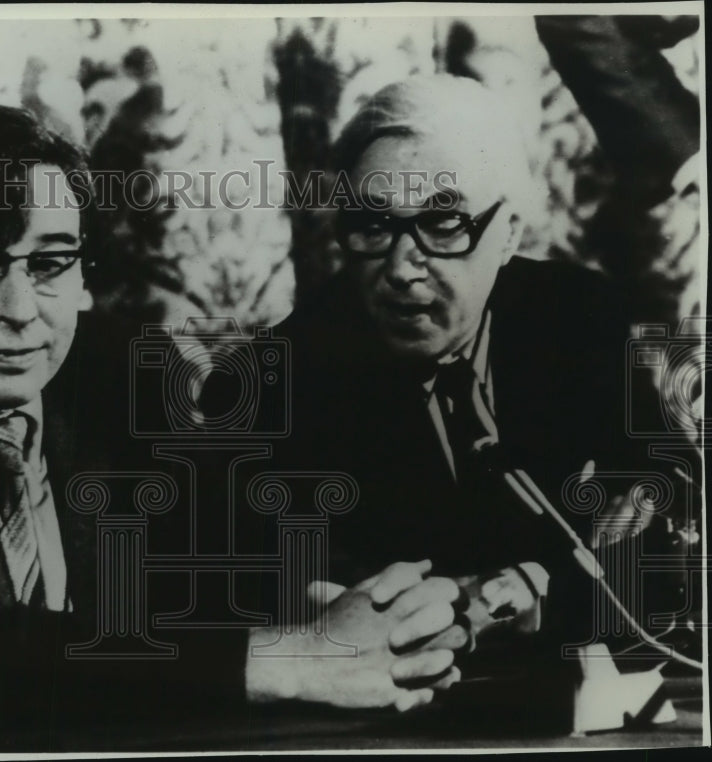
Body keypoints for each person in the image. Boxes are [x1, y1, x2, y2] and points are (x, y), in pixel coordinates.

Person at [0, 102, 471, 752]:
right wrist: (292, 658)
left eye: (52, 263)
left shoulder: (116, 370)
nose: (23, 310)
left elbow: (232, 540)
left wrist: (343, 608)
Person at [203, 74, 697, 727]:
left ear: (510, 232)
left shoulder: (581, 318)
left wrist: (527, 590)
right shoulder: (264, 385)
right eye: (372, 224)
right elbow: (318, 613)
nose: (403, 267)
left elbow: (668, 524)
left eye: (442, 223)